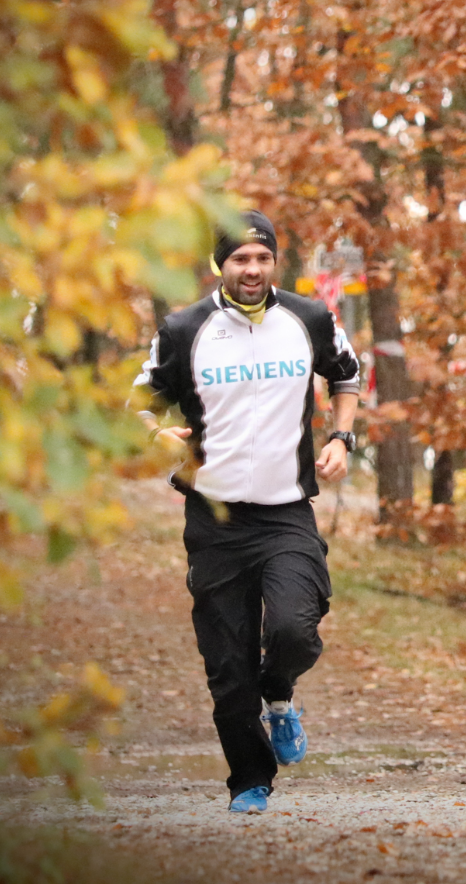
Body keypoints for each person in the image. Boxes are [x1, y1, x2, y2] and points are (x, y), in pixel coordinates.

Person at [133, 210, 361, 814]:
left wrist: (342, 438)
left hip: (287, 512)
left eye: (262, 259)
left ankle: (280, 692)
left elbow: (347, 375)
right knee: (227, 666)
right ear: (220, 264)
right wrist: (156, 435)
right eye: (240, 259)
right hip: (215, 519)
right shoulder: (184, 330)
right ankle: (250, 782)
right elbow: (137, 402)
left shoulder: (309, 318)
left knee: (292, 629)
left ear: (275, 262)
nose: (252, 270)